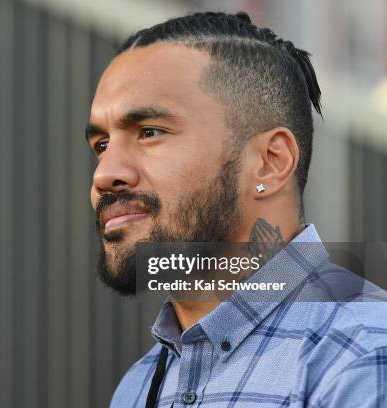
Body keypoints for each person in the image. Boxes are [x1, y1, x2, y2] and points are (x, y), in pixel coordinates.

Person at [86, 11, 387, 407]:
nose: (104, 174)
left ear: (270, 162)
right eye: (102, 144)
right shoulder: (138, 386)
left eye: (151, 132)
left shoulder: (363, 357)